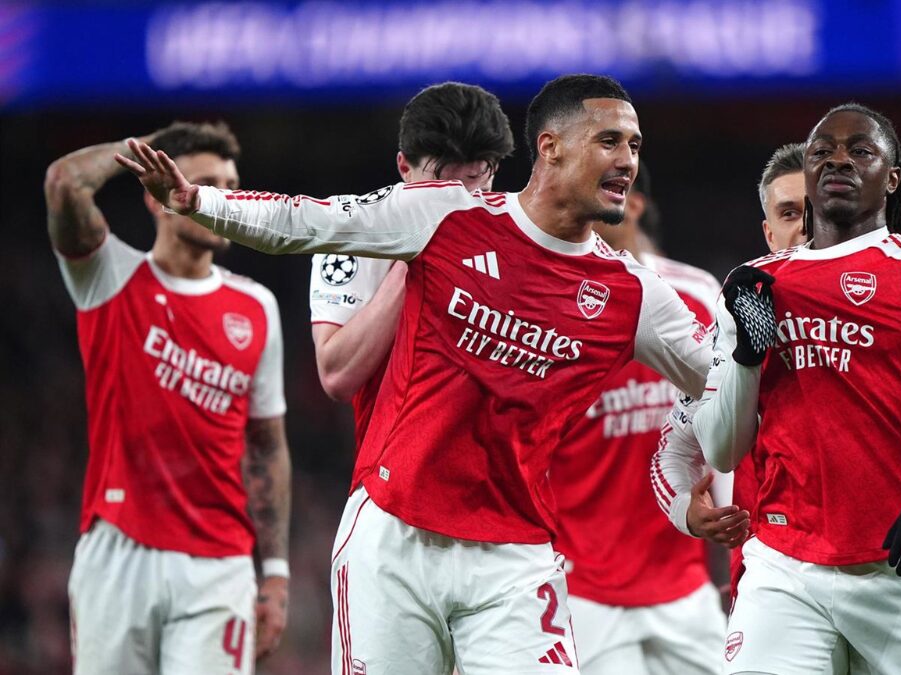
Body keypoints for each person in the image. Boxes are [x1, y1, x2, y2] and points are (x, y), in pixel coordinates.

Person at [117, 74, 711, 674]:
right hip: (395, 537)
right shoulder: (442, 215)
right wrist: (198, 201)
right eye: (610, 141)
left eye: (635, 146)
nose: (628, 160)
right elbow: (305, 222)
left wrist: (687, 454)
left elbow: (721, 387)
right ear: (550, 146)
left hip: (515, 554)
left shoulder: (635, 294)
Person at [654, 143, 901, 673]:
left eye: (810, 209)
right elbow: (677, 444)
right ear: (768, 232)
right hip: (780, 569)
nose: (804, 226)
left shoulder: (893, 312)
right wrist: (685, 508)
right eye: (788, 213)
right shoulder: (737, 317)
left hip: (889, 567)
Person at [46, 122, 291, 674]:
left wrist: (275, 574)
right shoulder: (110, 275)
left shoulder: (257, 308)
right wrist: (146, 148)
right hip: (118, 550)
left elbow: (267, 446)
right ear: (157, 196)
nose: (223, 199)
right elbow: (64, 184)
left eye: (232, 186)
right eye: (206, 183)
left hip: (220, 565)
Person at [549, 164, 726, 674]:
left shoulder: (698, 295)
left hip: (683, 585)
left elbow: (728, 424)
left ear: (634, 205)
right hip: (585, 588)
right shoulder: (553, 307)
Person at [309, 82, 514, 491]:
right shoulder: (358, 238)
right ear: (404, 168)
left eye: (474, 182)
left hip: (497, 494)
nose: (456, 205)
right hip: (395, 492)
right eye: (440, 190)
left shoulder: (516, 246)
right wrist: (415, 260)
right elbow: (336, 375)